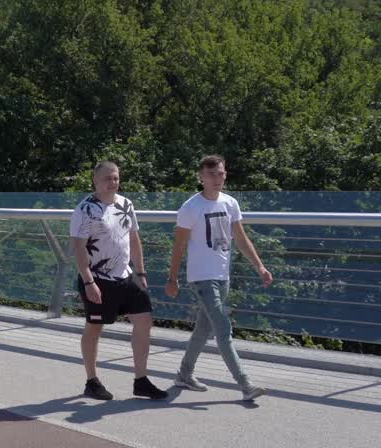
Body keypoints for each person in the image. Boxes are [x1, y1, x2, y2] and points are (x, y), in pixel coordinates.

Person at [166, 156, 270, 401]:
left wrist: (260, 266)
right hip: (202, 277)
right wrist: (172, 278)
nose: (217, 179)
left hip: (223, 276)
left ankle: (184, 374)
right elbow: (179, 245)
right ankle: (245, 384)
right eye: (211, 174)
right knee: (223, 328)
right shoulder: (191, 207)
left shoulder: (230, 203)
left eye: (220, 174)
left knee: (203, 329)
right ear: (201, 177)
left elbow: (241, 239)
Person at [70, 161, 168, 401]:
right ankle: (92, 381)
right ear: (96, 180)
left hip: (126, 275)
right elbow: (79, 248)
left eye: (115, 178)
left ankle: (141, 380)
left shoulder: (126, 204)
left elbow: (133, 239)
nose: (113, 182)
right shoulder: (85, 210)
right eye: (107, 178)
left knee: (144, 320)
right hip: (98, 278)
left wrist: (141, 272)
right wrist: (89, 282)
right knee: (95, 327)